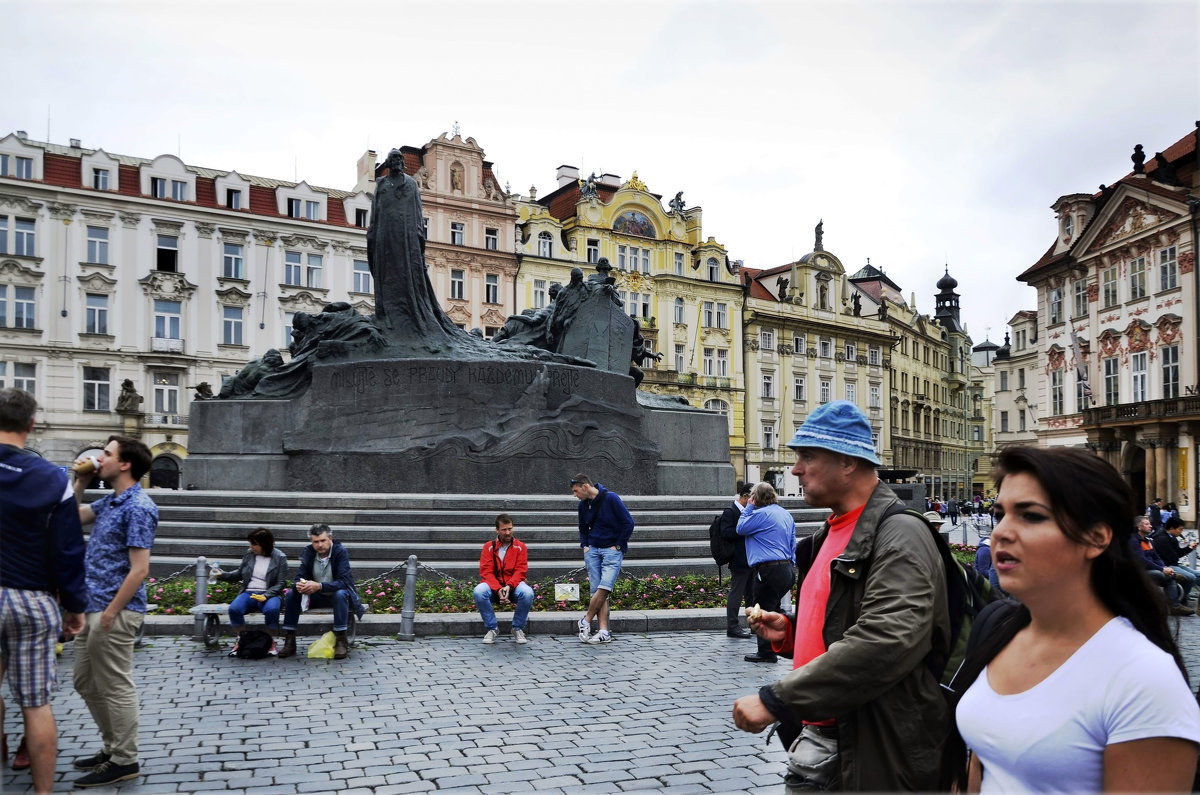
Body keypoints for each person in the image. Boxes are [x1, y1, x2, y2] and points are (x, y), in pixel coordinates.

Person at [949, 446, 1200, 791]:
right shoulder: (1000, 628)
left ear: (1096, 537)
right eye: (1001, 513)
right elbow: (983, 762)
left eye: (1031, 516)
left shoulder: (1143, 679)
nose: (1000, 532)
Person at [732, 400, 950, 791]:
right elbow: (843, 625)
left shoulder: (899, 533)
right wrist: (791, 633)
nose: (795, 468)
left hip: (868, 746)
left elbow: (887, 640)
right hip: (827, 740)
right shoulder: (829, 534)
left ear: (848, 462)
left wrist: (777, 700)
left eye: (807, 456)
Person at [0, 389, 88, 794]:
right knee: (36, 703)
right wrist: (73, 606)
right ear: (31, 425)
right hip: (32, 600)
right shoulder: (54, 478)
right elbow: (67, 548)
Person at [71, 434, 158, 788]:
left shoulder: (139, 506)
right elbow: (71, 518)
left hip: (115, 610)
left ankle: (125, 758)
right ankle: (112, 747)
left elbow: (140, 569)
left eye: (106, 454)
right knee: (85, 681)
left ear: (124, 464)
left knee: (116, 685)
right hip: (94, 604)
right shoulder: (112, 502)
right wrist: (80, 481)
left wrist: (111, 612)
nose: (98, 458)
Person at [279, 524, 365, 660]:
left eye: (323, 541)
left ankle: (341, 639)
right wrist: (300, 585)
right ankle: (290, 639)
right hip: (315, 596)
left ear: (330, 539)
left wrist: (319, 586)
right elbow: (298, 577)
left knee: (341, 593)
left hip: (336, 596)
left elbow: (344, 582)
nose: (319, 545)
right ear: (311, 542)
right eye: (316, 542)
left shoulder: (340, 552)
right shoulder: (308, 553)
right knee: (291, 593)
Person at [736, 482, 796, 664]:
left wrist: (749, 508)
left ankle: (766, 652)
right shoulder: (785, 514)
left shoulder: (760, 514)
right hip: (786, 568)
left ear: (756, 498)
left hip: (769, 569)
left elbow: (741, 528)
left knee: (761, 609)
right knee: (773, 608)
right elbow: (793, 541)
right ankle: (776, 645)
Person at [571, 474, 635, 645]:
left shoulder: (611, 498)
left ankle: (585, 620)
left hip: (611, 550)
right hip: (592, 550)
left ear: (585, 486)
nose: (575, 495)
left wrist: (619, 545)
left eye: (576, 491)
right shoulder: (583, 506)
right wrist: (585, 545)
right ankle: (603, 631)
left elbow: (628, 522)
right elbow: (582, 528)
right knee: (598, 591)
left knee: (604, 587)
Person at [212, 527, 289, 654]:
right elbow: (239, 573)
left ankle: (270, 641)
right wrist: (223, 575)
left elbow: (281, 583)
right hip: (249, 592)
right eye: (250, 543)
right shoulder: (249, 554)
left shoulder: (280, 557)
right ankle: (241, 639)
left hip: (270, 593)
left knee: (272, 609)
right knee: (234, 609)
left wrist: (267, 595)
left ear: (264, 544)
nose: (251, 546)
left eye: (254, 544)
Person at [473, 514, 534, 645]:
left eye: (510, 529)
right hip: (494, 586)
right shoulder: (488, 547)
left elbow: (520, 571)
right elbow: (486, 572)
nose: (508, 532)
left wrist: (509, 586)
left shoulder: (520, 547)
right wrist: (498, 589)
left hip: (514, 586)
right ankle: (492, 628)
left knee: (528, 593)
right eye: (504, 530)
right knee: (479, 591)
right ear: (497, 530)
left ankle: (517, 628)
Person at [1132, 515, 1189, 615]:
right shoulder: (1134, 541)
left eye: (1150, 524)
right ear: (1139, 527)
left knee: (1168, 574)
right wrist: (1162, 569)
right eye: (1146, 524)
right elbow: (1142, 561)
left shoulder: (1148, 541)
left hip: (1153, 568)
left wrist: (1164, 567)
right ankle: (1175, 606)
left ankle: (1174, 603)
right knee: (1166, 576)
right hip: (1141, 570)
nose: (1150, 526)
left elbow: (1156, 557)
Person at [721, 485, 754, 639]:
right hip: (739, 559)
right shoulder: (730, 511)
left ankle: (754, 624)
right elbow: (726, 533)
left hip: (752, 558)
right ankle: (733, 626)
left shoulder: (750, 511)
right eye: (753, 498)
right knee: (737, 593)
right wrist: (743, 530)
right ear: (745, 496)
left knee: (752, 594)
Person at [1153, 515, 1199, 607]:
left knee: (1198, 574)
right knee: (1190, 577)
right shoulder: (1161, 539)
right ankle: (1181, 599)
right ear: (1171, 528)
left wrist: (1189, 548)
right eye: (1180, 529)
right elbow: (1173, 557)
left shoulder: (1171, 537)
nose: (1181, 532)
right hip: (1167, 565)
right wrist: (1187, 549)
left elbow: (1177, 554)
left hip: (1174, 563)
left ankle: (1185, 596)